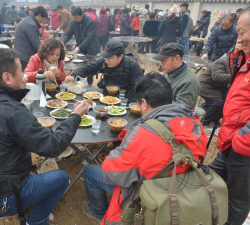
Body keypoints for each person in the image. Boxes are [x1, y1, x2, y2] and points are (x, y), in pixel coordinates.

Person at [0, 48, 88, 225]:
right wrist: (75, 116)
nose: (25, 76)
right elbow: (53, 146)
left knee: (30, 168)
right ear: (7, 78)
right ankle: (35, 220)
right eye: (20, 72)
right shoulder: (12, 111)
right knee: (61, 178)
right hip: (1, 197)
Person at [81, 72, 207, 224]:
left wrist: (125, 146)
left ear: (144, 103)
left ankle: (100, 214)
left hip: (144, 199)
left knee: (89, 171)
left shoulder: (144, 134)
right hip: (181, 189)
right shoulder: (195, 124)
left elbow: (111, 172)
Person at [209, 6, 250, 225]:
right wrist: (238, 53)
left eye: (243, 33)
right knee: (211, 179)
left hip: (244, 145)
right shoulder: (248, 58)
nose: (239, 37)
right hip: (230, 137)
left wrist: (243, 139)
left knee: (238, 198)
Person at [64, 40, 143, 103]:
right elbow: (88, 68)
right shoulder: (105, 61)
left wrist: (122, 103)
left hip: (124, 97)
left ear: (121, 56)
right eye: (106, 57)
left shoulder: (132, 65)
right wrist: (73, 75)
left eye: (110, 57)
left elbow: (136, 89)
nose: (107, 60)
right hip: (106, 96)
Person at [152, 43, 199, 109]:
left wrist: (155, 100)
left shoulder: (189, 81)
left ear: (177, 58)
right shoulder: (168, 71)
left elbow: (180, 109)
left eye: (164, 61)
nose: (161, 64)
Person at [198, 56, 230, 129]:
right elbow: (217, 77)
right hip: (206, 86)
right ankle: (204, 122)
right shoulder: (221, 62)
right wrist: (235, 75)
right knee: (218, 102)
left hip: (218, 87)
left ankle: (214, 119)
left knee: (228, 101)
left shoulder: (237, 64)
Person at [15, 6, 48, 71]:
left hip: (19, 54)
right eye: (43, 19)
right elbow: (36, 45)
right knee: (27, 77)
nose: (42, 21)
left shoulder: (27, 19)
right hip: (25, 57)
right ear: (39, 15)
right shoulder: (31, 25)